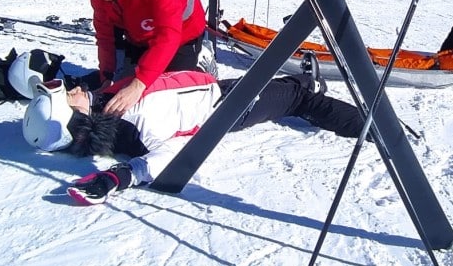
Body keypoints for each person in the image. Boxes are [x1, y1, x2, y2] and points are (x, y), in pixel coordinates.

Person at [21, 68, 367, 204]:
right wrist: (120, 176)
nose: (72, 88)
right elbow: (171, 153)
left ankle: (300, 81)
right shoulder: (137, 112)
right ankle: (367, 125)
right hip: (226, 107)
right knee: (295, 99)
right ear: (75, 115)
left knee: (278, 90)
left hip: (220, 93)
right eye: (67, 95)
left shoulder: (112, 108)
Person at [69, 0, 209, 118]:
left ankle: (202, 60)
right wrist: (107, 79)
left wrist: (139, 83)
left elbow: (168, 35)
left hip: (183, 36)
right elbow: (106, 37)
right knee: (123, 94)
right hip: (139, 36)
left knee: (168, 97)